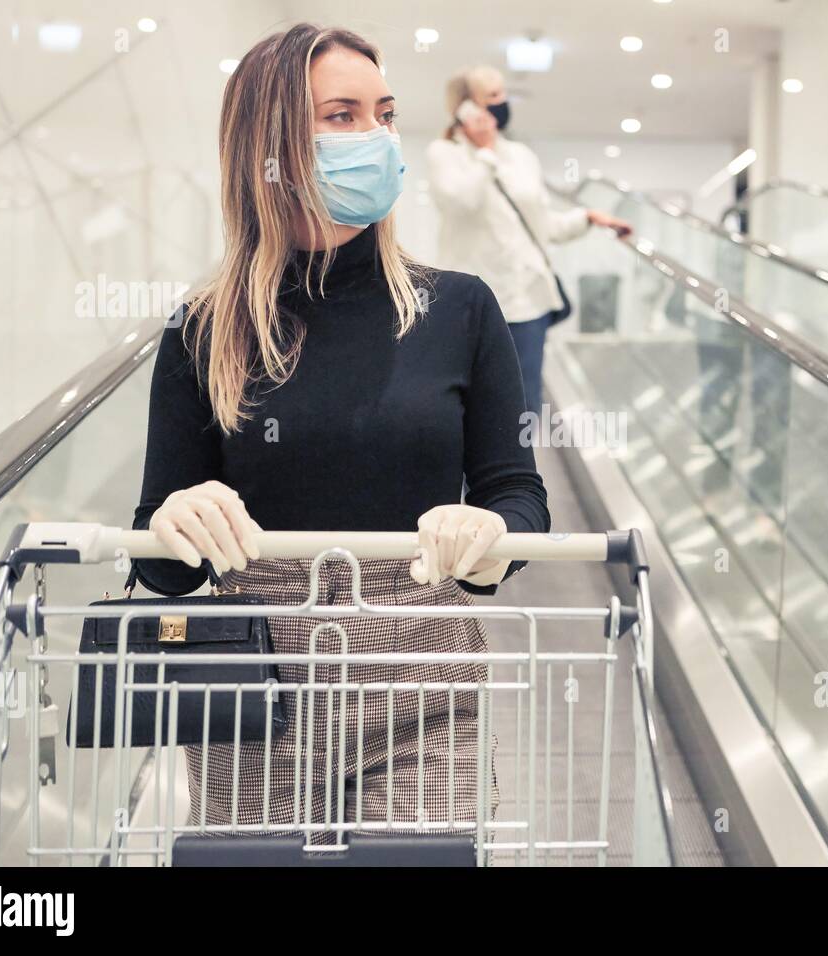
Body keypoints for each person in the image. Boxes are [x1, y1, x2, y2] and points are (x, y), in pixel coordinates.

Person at [130, 24, 549, 836]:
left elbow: (517, 496)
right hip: (252, 682)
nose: (377, 138)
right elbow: (161, 560)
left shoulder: (459, 309)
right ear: (270, 144)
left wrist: (489, 527)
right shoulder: (203, 330)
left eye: (384, 115)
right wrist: (173, 525)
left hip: (421, 668)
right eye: (343, 116)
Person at [426, 65, 632, 417]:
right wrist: (484, 153)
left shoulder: (522, 156)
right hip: (473, 304)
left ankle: (518, 473)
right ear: (466, 108)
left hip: (528, 303)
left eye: (502, 93)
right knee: (468, 407)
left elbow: (543, 227)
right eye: (491, 96)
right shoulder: (445, 154)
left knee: (523, 406)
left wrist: (587, 218)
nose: (502, 102)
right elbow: (460, 204)